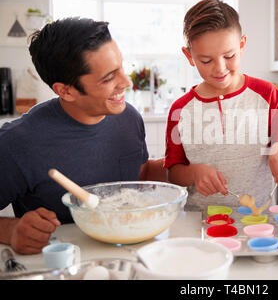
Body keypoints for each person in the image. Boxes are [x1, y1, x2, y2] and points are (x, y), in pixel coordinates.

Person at [0, 17, 167, 255]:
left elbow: (138, 177)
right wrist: (11, 230)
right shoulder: (18, 142)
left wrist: (190, 168)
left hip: (132, 255)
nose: (126, 82)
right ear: (66, 90)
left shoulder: (129, 118)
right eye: (109, 78)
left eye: (121, 66)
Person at [164, 0, 278, 211]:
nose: (220, 68)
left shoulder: (268, 95)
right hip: (200, 220)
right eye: (206, 61)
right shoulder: (180, 110)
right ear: (189, 56)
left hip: (256, 217)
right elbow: (174, 172)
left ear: (242, 45)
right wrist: (194, 173)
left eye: (229, 56)